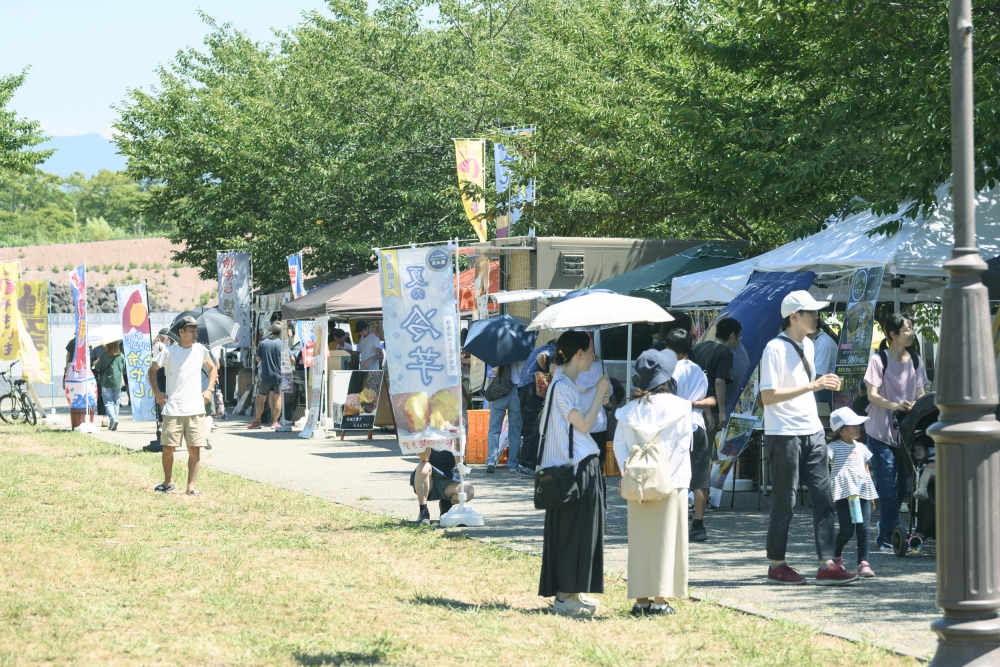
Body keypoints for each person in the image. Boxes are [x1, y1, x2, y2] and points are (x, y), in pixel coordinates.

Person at [760, 290, 856, 585]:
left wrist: (815, 388)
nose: (817, 316)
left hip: (812, 430)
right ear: (794, 316)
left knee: (823, 498)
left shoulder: (811, 346)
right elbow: (767, 395)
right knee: (784, 502)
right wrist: (813, 386)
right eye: (811, 312)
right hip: (783, 432)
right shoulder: (774, 349)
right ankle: (777, 563)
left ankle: (827, 562)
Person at [613, 348, 692, 616]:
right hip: (672, 481)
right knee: (667, 541)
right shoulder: (681, 407)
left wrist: (632, 474)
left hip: (638, 483)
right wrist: (664, 476)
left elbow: (620, 447)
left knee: (640, 542)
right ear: (667, 377)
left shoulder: (627, 411)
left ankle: (641, 600)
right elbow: (683, 447)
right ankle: (660, 601)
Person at [538, 331, 609, 617]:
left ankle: (571, 594)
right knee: (574, 533)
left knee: (573, 532)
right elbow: (583, 424)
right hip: (575, 468)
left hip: (569, 469)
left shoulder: (563, 383)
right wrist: (600, 393)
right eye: (590, 351)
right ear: (578, 354)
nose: (593, 356)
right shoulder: (564, 384)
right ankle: (566, 598)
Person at [863, 312, 928, 553]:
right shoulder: (878, 360)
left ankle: (886, 531)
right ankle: (889, 536)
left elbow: (921, 393)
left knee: (904, 487)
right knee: (888, 487)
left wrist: (919, 407)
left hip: (906, 434)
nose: (911, 333)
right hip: (880, 432)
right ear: (893, 335)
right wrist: (897, 405)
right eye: (907, 329)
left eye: (911, 329)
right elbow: (872, 395)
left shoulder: (916, 360)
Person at [148, 317, 217, 495]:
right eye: (191, 330)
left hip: (195, 409)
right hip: (173, 408)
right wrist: (157, 392)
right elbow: (152, 370)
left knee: (194, 449)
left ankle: (191, 487)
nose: (195, 333)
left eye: (196, 330)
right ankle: (168, 481)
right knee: (168, 449)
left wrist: (209, 389)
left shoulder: (201, 350)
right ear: (181, 332)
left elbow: (213, 368)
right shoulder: (169, 352)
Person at [664, 328, 715, 542]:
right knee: (700, 478)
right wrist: (695, 405)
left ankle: (676, 522)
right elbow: (711, 400)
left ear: (668, 347)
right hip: (698, 425)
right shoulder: (698, 370)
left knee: (676, 474)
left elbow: (665, 399)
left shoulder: (667, 371)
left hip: (675, 427)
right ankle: (699, 525)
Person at [827, 407, 878, 578]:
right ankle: (835, 555)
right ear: (841, 430)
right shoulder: (833, 447)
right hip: (844, 493)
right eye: (854, 425)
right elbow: (822, 460)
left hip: (862, 490)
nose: (859, 427)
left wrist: (871, 494)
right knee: (847, 531)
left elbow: (865, 468)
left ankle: (863, 563)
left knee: (863, 528)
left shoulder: (862, 447)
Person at [690, 317, 741, 453]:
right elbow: (719, 382)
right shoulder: (725, 353)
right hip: (710, 411)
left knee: (692, 452)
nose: (739, 339)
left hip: (692, 407)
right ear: (732, 335)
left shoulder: (698, 347)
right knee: (704, 453)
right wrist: (722, 412)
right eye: (739, 335)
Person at [515, 340, 556, 472]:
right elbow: (541, 357)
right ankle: (527, 465)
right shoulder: (551, 348)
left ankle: (527, 463)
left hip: (524, 389)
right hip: (532, 388)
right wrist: (545, 371)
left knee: (529, 426)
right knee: (533, 427)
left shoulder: (538, 348)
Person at [411, 447, 475, 524]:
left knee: (468, 490)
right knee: (423, 466)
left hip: (448, 478)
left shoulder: (455, 436)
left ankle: (446, 504)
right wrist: (427, 441)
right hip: (428, 478)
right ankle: (423, 511)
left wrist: (456, 443)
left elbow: (460, 461)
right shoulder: (427, 435)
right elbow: (424, 458)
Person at [485, 363, 523, 474]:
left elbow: (495, 372)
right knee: (515, 431)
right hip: (517, 392)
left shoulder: (502, 354)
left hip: (500, 391)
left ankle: (491, 461)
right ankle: (512, 464)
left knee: (494, 429)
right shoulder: (524, 355)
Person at [248, 322, 285, 429]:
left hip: (265, 376)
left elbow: (257, 358)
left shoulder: (263, 343)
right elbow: (291, 359)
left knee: (261, 399)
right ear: (281, 332)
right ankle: (275, 422)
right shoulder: (282, 344)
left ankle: (256, 421)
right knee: (277, 398)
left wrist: (266, 359)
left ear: (271, 331)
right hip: (278, 376)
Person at [93, 340, 126, 431]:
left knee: (108, 403)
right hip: (118, 382)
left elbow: (97, 367)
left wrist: (98, 361)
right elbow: (123, 369)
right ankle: (113, 423)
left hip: (106, 382)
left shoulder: (104, 356)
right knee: (116, 402)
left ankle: (114, 419)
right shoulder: (121, 356)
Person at [809, 318, 839, 411]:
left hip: (829, 393)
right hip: (823, 390)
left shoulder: (823, 343)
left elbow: (818, 376)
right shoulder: (814, 341)